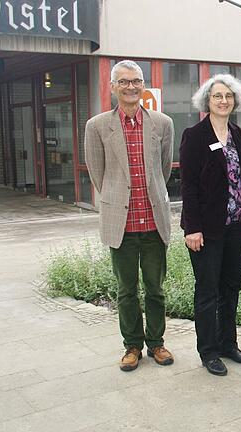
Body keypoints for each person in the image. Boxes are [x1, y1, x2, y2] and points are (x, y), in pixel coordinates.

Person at [84, 60, 175, 372]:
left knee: (155, 288)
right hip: (120, 223)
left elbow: (162, 171)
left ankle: (157, 343)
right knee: (126, 290)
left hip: (153, 221)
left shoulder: (162, 123)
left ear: (143, 85)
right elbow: (98, 174)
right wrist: (115, 197)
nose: (131, 86)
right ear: (113, 87)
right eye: (124, 81)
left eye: (136, 81)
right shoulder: (97, 126)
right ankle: (132, 346)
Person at [179, 74, 241, 376]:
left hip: (236, 226)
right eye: (217, 96)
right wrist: (192, 228)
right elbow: (189, 185)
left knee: (231, 287)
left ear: (235, 101)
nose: (223, 101)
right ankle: (208, 350)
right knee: (208, 291)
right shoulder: (195, 135)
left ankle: (228, 343)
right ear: (206, 101)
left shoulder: (236, 132)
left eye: (228, 96)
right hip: (207, 229)